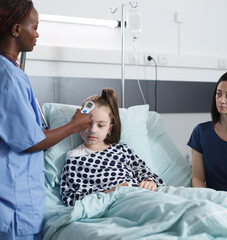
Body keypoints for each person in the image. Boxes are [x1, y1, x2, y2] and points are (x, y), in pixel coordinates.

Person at [0, 1, 92, 239]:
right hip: (14, 201)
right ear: (16, 30)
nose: (37, 33)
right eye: (34, 27)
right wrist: (74, 125)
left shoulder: (12, 70)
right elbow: (29, 141)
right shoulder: (8, 77)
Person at [60, 88, 166, 206]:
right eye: (88, 123)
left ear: (109, 129)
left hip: (139, 195)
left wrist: (149, 181)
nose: (92, 130)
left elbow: (144, 171)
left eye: (100, 125)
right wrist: (109, 193)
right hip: (115, 204)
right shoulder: (74, 157)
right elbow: (70, 196)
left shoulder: (122, 150)